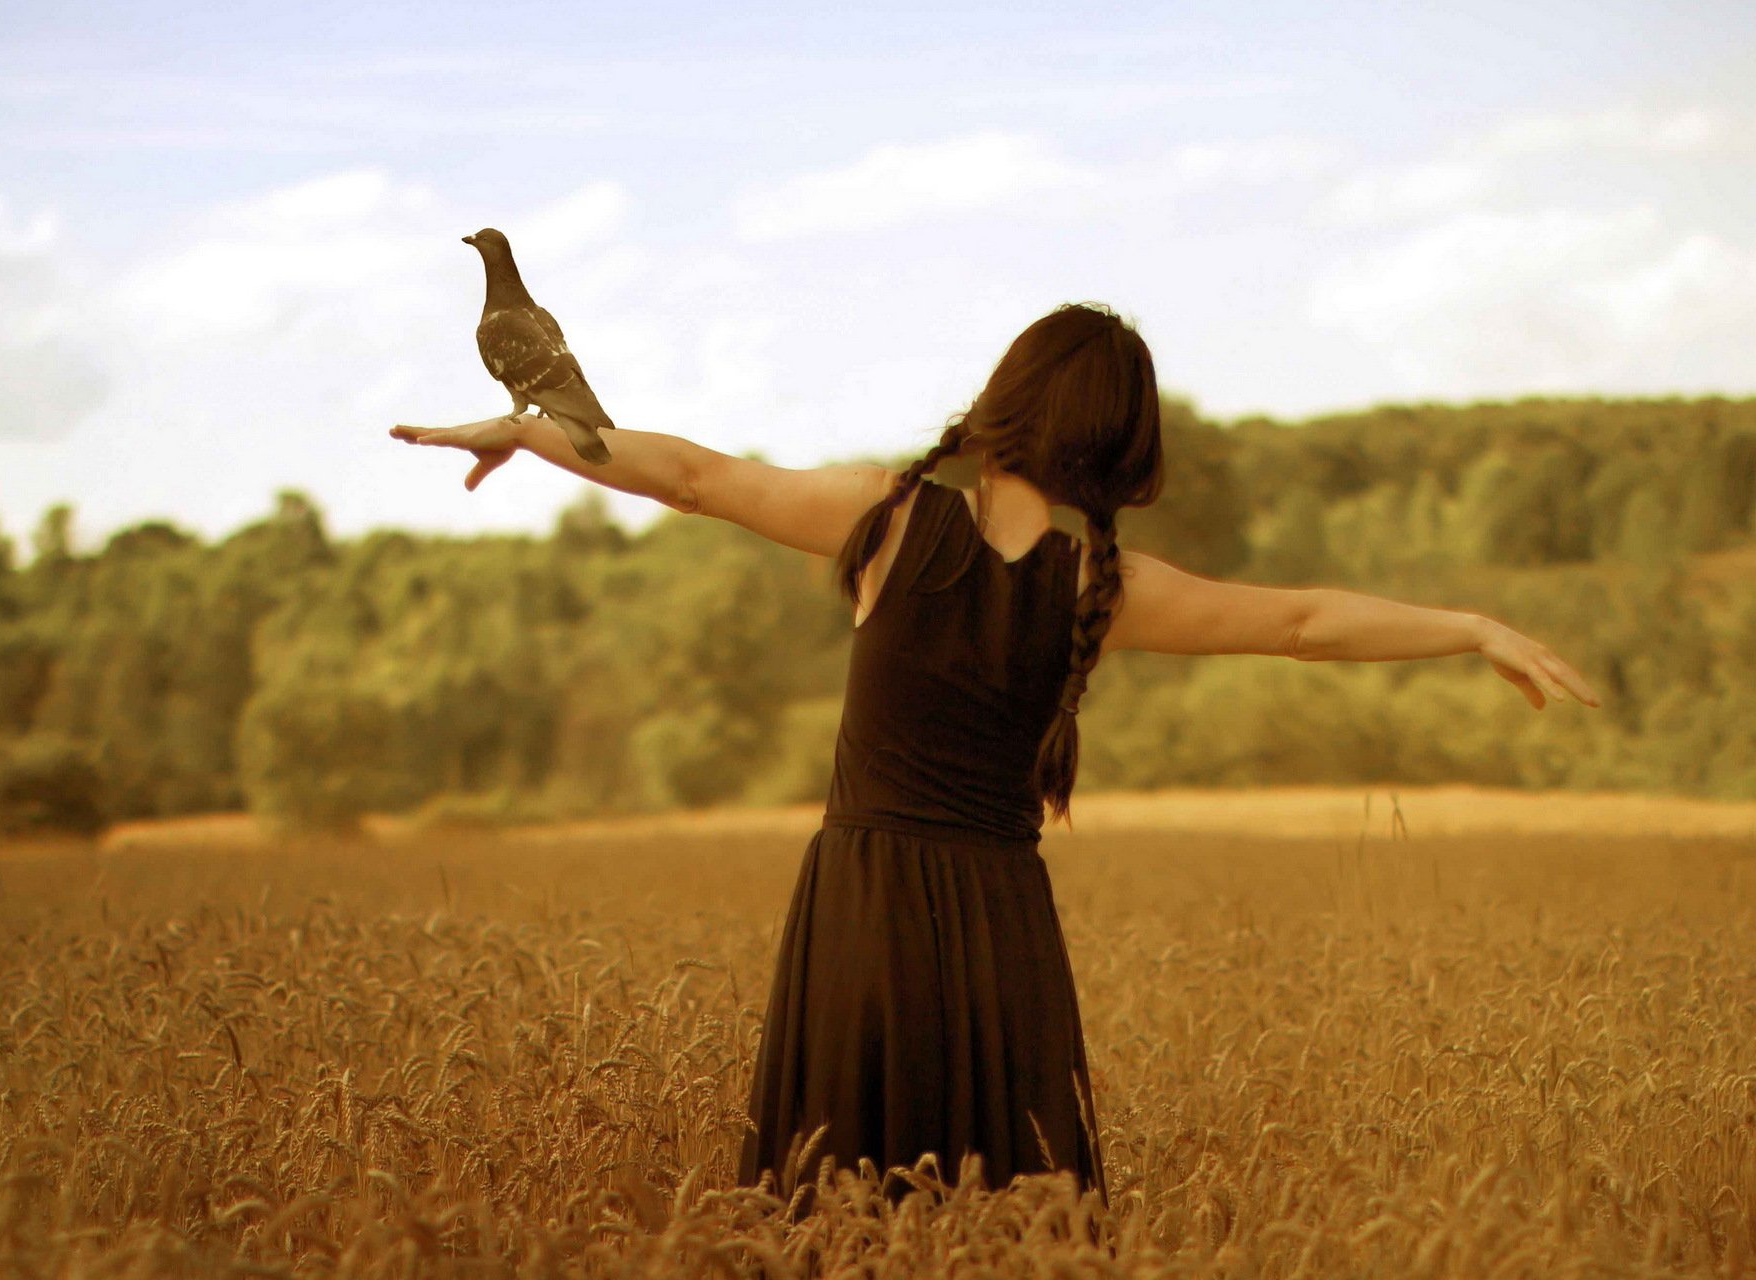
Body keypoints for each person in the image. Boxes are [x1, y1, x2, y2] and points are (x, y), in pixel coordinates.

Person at [390, 301, 1601, 1207]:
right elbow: (1298, 622)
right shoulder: (1106, 587)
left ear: (1008, 402)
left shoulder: (889, 518)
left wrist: (534, 429)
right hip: (1000, 933)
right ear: (1118, 443)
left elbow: (698, 477)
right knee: (1007, 1221)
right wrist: (1472, 625)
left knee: (835, 1212)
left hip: (859, 909)